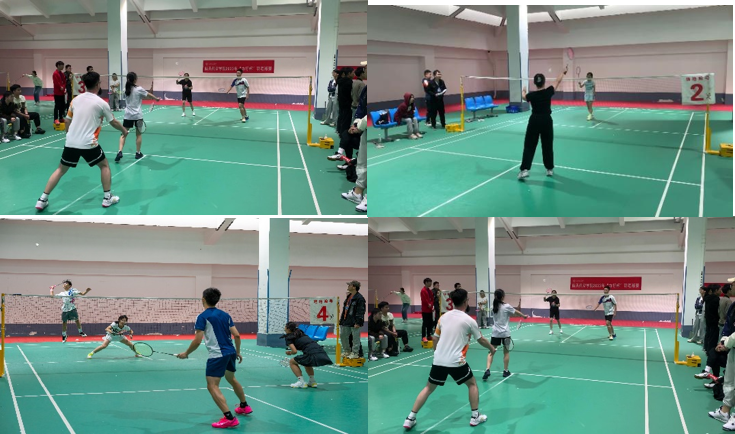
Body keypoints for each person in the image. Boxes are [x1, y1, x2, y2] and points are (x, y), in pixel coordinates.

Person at [35, 72, 129, 211]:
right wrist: (124, 131)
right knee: (104, 166)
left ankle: (42, 199)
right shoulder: (102, 103)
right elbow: (113, 122)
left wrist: (70, 135)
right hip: (88, 143)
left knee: (60, 169)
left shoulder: (75, 100)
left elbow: (67, 120)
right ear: (98, 84)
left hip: (71, 142)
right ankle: (107, 198)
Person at [403, 288, 494, 430]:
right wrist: (492, 349)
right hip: (456, 361)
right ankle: (475, 416)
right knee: (472, 384)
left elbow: (435, 338)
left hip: (439, 360)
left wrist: (437, 354)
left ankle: (410, 418)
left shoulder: (443, 317)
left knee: (428, 388)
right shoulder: (469, 321)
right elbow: (481, 339)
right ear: (465, 301)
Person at [176, 287, 252, 429]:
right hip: (230, 352)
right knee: (231, 379)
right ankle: (244, 406)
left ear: (203, 299)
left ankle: (229, 418)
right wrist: (238, 352)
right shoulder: (225, 315)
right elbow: (237, 335)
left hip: (217, 355)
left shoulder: (202, 317)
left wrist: (186, 353)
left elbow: (197, 341)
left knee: (212, 386)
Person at [518, 66, 568, 180]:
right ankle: (549, 169)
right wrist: (563, 72)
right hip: (546, 121)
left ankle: (524, 170)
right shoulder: (548, 92)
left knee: (529, 145)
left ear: (535, 83)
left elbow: (524, 97)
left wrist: (523, 90)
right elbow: (557, 81)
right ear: (544, 82)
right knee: (547, 145)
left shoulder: (531, 96)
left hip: (534, 121)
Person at [482, 288, 528, 380]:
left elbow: (509, 314)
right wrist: (523, 316)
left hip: (495, 333)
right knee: (506, 352)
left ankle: (487, 369)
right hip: (505, 334)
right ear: (503, 296)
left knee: (491, 351)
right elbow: (515, 312)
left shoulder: (493, 306)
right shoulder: (506, 306)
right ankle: (506, 371)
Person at [115, 71, 159, 163]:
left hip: (128, 116)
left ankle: (119, 151)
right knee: (138, 135)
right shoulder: (139, 89)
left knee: (123, 134)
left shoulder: (125, 89)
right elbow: (148, 95)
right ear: (135, 79)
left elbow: (141, 97)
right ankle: (138, 153)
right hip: (138, 116)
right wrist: (156, 98)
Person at [282, 321, 333, 388]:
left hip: (311, 353)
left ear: (288, 329)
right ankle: (312, 381)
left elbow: (294, 351)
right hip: (321, 351)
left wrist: (289, 353)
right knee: (307, 362)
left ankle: (301, 382)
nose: (284, 328)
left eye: (285, 327)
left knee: (292, 362)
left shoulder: (289, 338)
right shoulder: (300, 332)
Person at [339, 280, 366, 359]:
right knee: (343, 335)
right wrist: (342, 320)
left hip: (355, 321)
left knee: (355, 338)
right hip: (346, 320)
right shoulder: (349, 296)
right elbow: (345, 309)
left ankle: (355, 353)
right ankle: (347, 351)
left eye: (349, 285)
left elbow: (361, 311)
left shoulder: (360, 298)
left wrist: (358, 322)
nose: (348, 286)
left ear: (354, 287)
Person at [704, 284, 724, 354]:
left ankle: (706, 348)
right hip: (714, 320)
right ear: (715, 291)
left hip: (708, 319)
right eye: (719, 290)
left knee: (708, 334)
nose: (721, 291)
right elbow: (718, 311)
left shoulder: (707, 298)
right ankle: (711, 351)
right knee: (713, 337)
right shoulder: (716, 299)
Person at [336, 67, 354, 136]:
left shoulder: (340, 81)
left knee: (341, 117)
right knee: (346, 119)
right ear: (348, 73)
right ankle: (343, 134)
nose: (354, 74)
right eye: (352, 73)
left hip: (341, 102)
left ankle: (339, 130)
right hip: (347, 103)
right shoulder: (349, 82)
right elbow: (350, 94)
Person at [420, 277, 434, 343]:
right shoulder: (423, 290)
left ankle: (428, 335)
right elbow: (424, 299)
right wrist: (428, 304)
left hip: (430, 310)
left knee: (430, 323)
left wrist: (431, 305)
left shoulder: (430, 291)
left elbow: (432, 298)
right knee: (425, 324)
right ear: (426, 283)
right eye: (429, 282)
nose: (430, 284)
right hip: (425, 310)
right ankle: (423, 337)